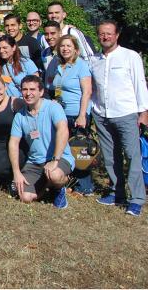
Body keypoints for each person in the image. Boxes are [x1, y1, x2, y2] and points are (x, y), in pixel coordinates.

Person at [89, 21, 147, 216]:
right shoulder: (94, 60)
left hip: (126, 114)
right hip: (102, 115)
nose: (105, 37)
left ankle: (136, 199)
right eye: (102, 34)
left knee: (132, 157)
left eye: (109, 34)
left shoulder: (130, 57)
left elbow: (140, 85)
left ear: (117, 35)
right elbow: (93, 90)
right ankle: (117, 193)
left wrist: (144, 113)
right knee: (110, 158)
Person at [10, 75, 74, 209]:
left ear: (41, 92)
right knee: (24, 197)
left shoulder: (53, 108)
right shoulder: (20, 116)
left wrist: (55, 160)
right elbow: (13, 143)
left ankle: (59, 188)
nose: (28, 93)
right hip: (35, 162)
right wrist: (16, 172)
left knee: (55, 174)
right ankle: (46, 185)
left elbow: (63, 130)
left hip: (59, 158)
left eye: (32, 89)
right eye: (25, 89)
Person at [44, 34, 94, 195]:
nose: (65, 49)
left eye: (68, 46)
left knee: (80, 150)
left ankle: (85, 187)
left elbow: (87, 92)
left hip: (76, 114)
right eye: (62, 46)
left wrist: (82, 115)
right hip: (62, 114)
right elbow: (55, 89)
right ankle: (69, 181)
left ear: (76, 49)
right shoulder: (59, 66)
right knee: (65, 149)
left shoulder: (81, 65)